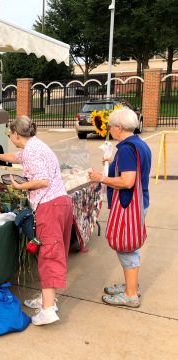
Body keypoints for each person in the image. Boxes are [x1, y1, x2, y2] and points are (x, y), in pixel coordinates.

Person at [0, 115, 73, 326]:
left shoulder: (33, 151)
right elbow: (18, 157)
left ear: (17, 134)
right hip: (60, 203)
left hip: (49, 206)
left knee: (49, 255)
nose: (11, 137)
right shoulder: (35, 146)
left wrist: (19, 186)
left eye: (10, 134)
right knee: (51, 252)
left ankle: (48, 310)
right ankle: (47, 298)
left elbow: (42, 180)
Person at [88, 107, 151, 308]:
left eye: (111, 126)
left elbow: (127, 182)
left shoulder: (125, 149)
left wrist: (102, 178)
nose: (109, 129)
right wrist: (113, 162)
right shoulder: (139, 144)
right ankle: (130, 285)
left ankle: (131, 294)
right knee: (129, 247)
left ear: (120, 127)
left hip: (128, 205)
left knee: (127, 249)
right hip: (140, 202)